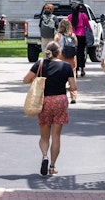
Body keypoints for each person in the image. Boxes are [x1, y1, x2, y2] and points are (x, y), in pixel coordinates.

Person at [23, 41, 76, 177]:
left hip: (44, 101)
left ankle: (45, 156)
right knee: (56, 135)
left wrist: (38, 80)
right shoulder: (66, 66)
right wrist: (65, 87)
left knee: (44, 136)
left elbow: (26, 80)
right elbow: (73, 87)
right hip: (60, 101)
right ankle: (52, 166)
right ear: (59, 53)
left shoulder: (40, 64)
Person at [54, 19, 78, 103]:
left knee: (60, 76)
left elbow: (55, 47)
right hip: (72, 58)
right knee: (72, 75)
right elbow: (76, 45)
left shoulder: (58, 36)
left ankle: (61, 95)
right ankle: (73, 96)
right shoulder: (73, 35)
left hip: (61, 57)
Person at [68, 2, 89, 77]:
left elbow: (68, 27)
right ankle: (82, 69)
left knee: (74, 54)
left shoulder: (70, 17)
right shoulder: (83, 16)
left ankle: (75, 71)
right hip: (81, 35)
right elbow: (87, 25)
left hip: (73, 36)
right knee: (81, 53)